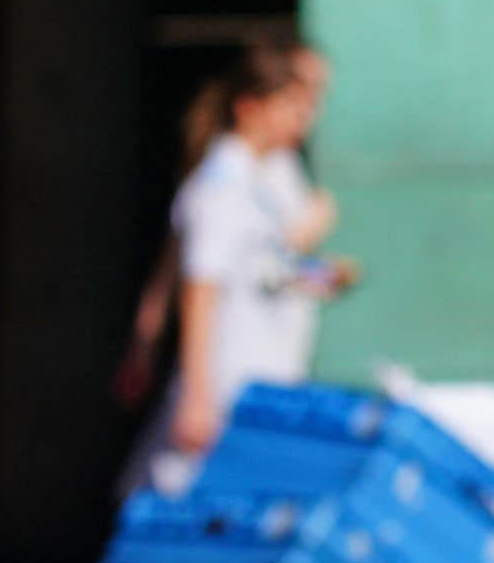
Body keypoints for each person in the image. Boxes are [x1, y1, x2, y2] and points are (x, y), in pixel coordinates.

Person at [124, 36, 348, 497]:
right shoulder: (222, 185)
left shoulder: (271, 172)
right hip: (223, 388)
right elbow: (199, 286)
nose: (305, 116)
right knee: (177, 517)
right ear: (251, 107)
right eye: (293, 103)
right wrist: (195, 396)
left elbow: (268, 270)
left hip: (260, 381)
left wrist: (322, 274)